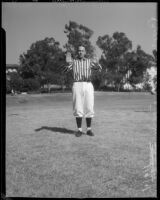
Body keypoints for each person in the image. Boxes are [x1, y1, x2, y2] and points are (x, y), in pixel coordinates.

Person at [64, 45, 102, 137]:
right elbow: (65, 70)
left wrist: (97, 63)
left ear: (85, 52)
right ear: (77, 52)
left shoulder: (89, 62)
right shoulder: (74, 62)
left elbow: (99, 69)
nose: (80, 52)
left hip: (88, 84)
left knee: (89, 106)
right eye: (79, 51)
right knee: (78, 107)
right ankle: (79, 130)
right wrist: (67, 61)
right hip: (77, 84)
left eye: (82, 51)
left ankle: (89, 129)